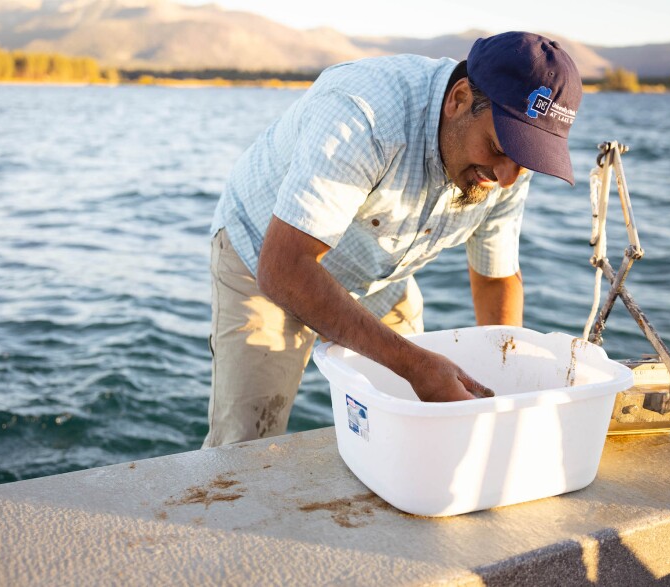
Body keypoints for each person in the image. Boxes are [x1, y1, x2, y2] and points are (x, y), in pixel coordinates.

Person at [203, 31, 582, 448]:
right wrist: (415, 365)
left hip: (377, 273)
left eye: (526, 162)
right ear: (458, 100)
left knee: (413, 423)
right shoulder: (363, 115)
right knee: (245, 442)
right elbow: (284, 269)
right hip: (265, 254)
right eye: (498, 147)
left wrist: (506, 387)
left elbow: (495, 279)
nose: (507, 179)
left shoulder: (505, 167)